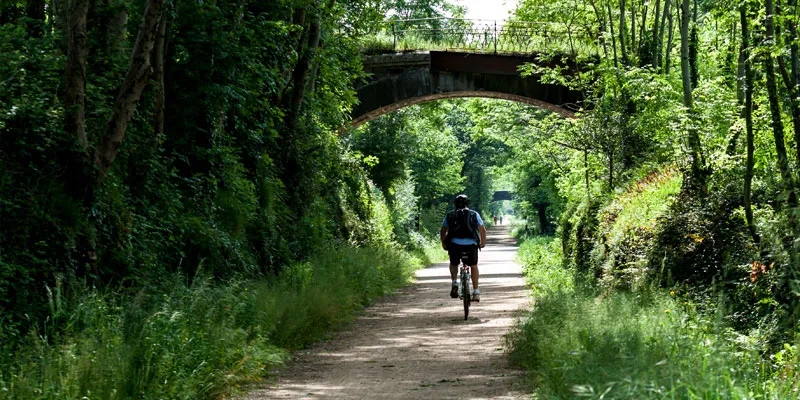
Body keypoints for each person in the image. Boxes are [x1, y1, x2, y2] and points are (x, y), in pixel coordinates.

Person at [440, 194, 487, 302]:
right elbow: (482, 230)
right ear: (468, 203)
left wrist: (444, 242)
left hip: (455, 245)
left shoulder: (450, 215)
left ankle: (454, 283)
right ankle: (476, 292)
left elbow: (443, 230)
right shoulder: (474, 214)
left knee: (454, 263)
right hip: (471, 245)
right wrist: (482, 242)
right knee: (474, 265)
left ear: (455, 204)